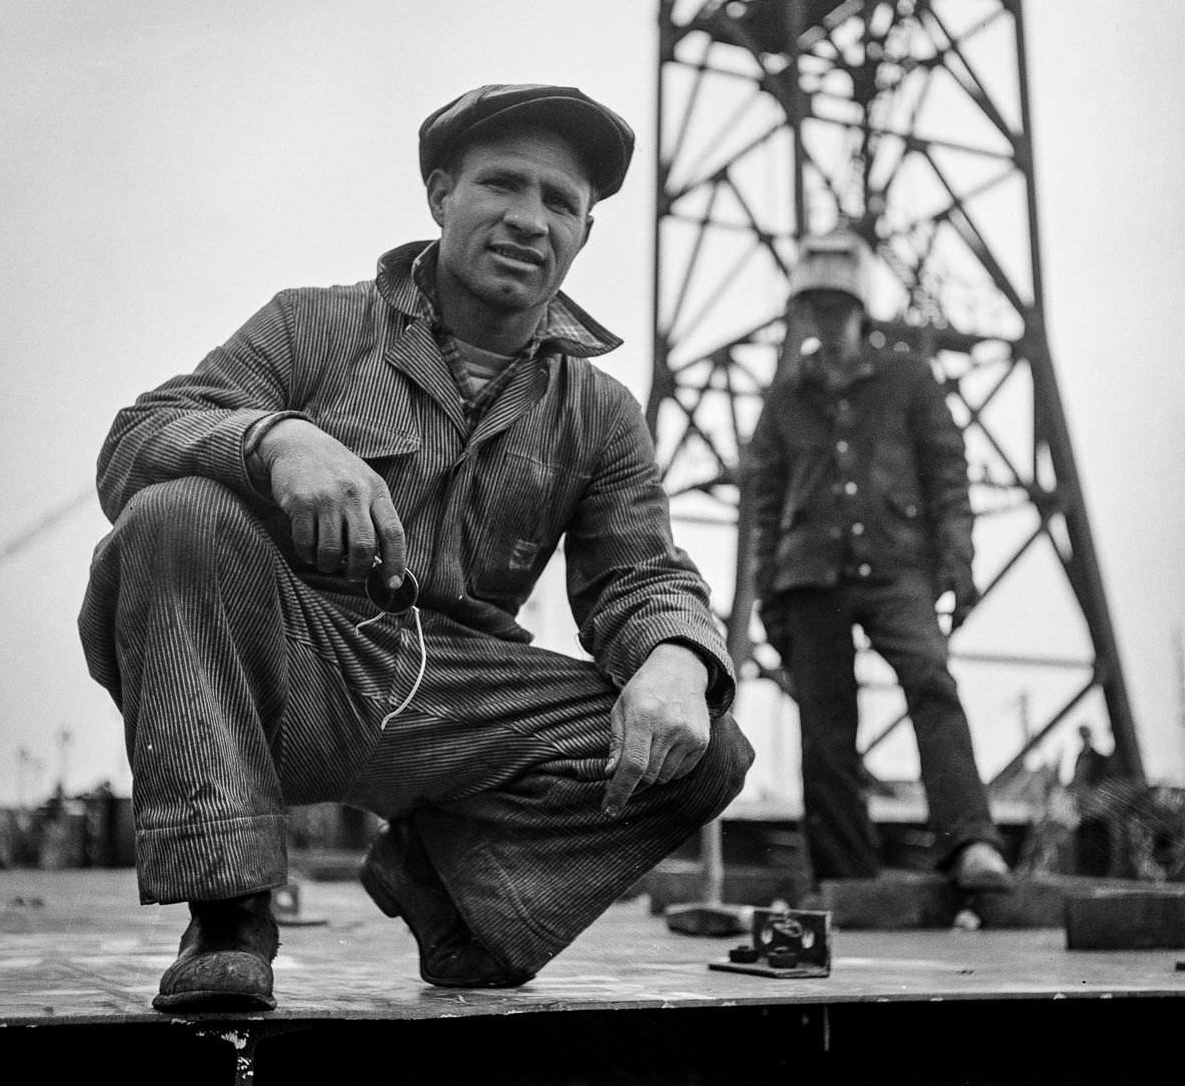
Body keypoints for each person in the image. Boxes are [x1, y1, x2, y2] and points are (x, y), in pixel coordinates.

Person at [78, 82, 753, 1012]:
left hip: (455, 699)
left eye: (560, 203)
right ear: (441, 195)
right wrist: (277, 440)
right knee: (173, 515)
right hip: (292, 665)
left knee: (704, 746)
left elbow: (639, 573)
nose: (528, 219)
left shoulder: (600, 413)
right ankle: (229, 913)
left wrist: (676, 657)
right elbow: (136, 443)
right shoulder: (312, 324)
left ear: (585, 234)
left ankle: (444, 887)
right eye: (501, 185)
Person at [742, 229, 1012, 892]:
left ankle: (971, 844)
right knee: (824, 728)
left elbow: (947, 474)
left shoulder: (909, 380)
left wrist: (959, 559)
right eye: (816, 307)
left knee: (932, 683)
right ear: (802, 314)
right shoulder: (782, 402)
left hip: (898, 568)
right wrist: (766, 597)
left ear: (860, 310)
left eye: (839, 306)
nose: (827, 319)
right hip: (809, 578)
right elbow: (764, 506)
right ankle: (846, 879)